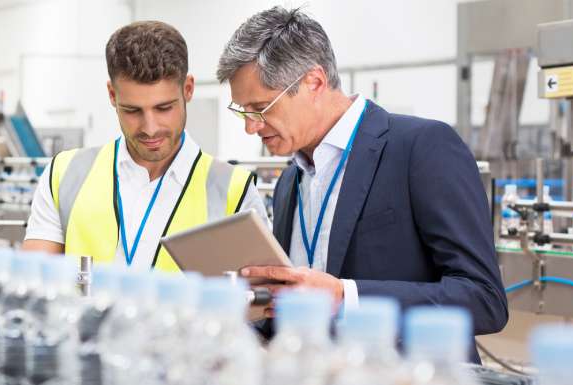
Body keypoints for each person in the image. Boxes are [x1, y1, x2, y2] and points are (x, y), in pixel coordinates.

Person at [217, 7, 507, 361]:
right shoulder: (290, 180)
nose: (251, 127)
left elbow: (484, 299)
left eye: (261, 108)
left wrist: (344, 296)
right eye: (244, 112)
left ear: (314, 82)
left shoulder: (421, 147)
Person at [22, 20, 268, 272]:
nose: (150, 128)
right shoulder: (65, 174)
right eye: (132, 110)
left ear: (188, 89)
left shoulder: (234, 191)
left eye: (164, 108)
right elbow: (32, 284)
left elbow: (252, 304)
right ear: (112, 95)